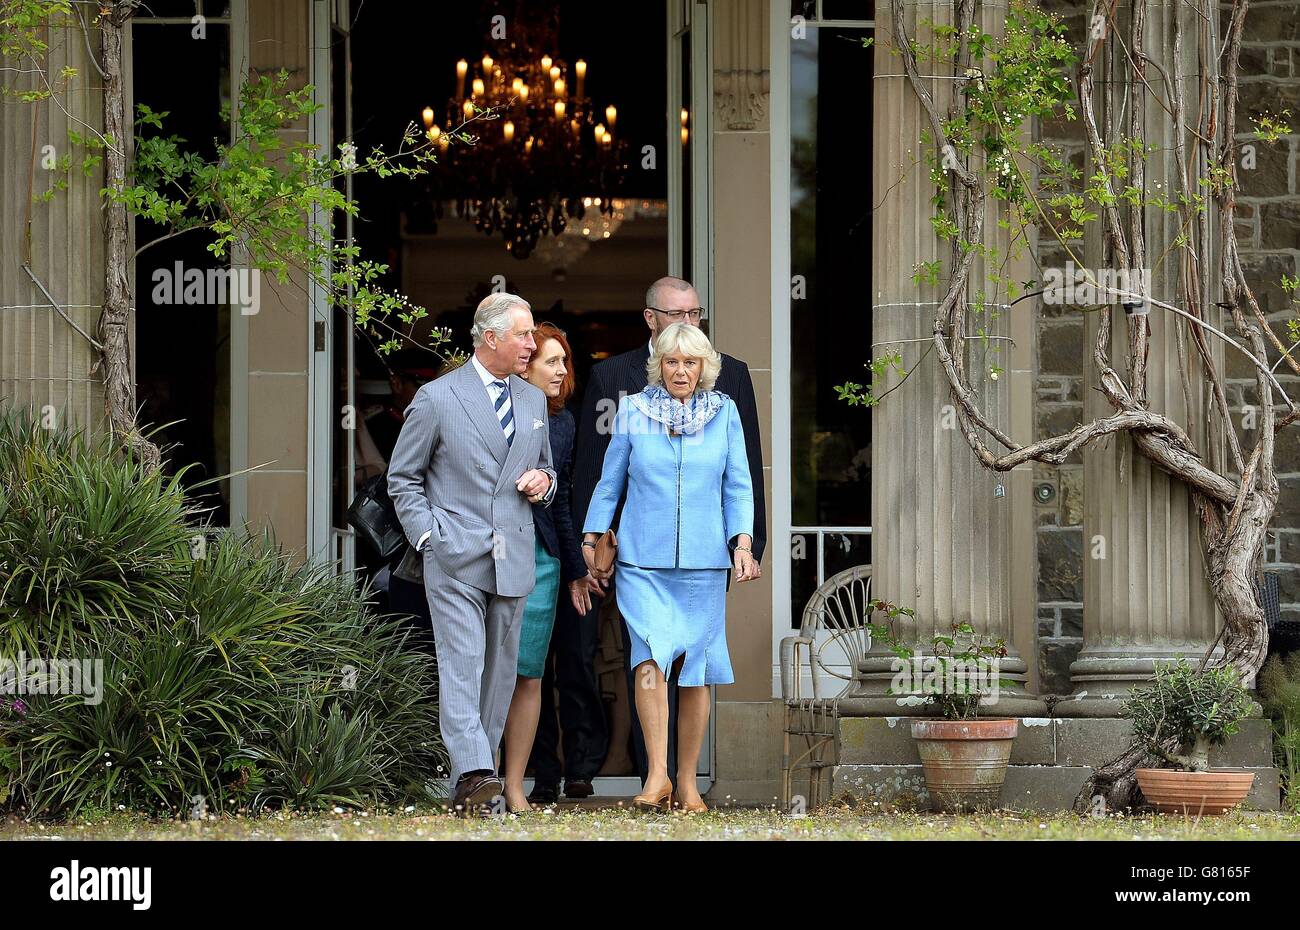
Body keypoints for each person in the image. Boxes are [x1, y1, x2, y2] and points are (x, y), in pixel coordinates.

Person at [571, 275, 767, 791]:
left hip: (704, 566)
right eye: (673, 361)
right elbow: (608, 484)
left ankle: (685, 781)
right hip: (643, 565)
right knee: (648, 662)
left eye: (691, 362)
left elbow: (740, 486)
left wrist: (743, 544)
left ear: (705, 369)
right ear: (659, 365)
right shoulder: (633, 411)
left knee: (696, 670)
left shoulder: (724, 413)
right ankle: (655, 775)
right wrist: (592, 540)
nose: (681, 370)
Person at [387, 293, 557, 814]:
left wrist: (542, 482)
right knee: (461, 666)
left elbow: (548, 468)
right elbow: (402, 479)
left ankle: (472, 787)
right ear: (491, 339)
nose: (533, 344)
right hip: (455, 556)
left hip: (514, 558)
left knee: (499, 676)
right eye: (524, 335)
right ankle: (478, 773)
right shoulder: (438, 398)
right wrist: (429, 539)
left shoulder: (531, 400)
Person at [501, 323, 602, 813]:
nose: (562, 371)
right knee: (487, 671)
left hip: (542, 555)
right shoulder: (493, 409)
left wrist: (574, 568)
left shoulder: (561, 423)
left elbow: (558, 504)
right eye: (552, 362)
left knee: (532, 671)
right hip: (490, 553)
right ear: (525, 365)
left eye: (565, 362)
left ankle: (527, 782)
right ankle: (477, 777)